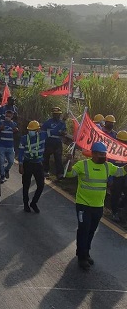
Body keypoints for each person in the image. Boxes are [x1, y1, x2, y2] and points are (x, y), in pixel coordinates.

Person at [66, 142, 124, 270]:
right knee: (84, 229)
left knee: (91, 231)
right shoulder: (83, 165)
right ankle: (81, 257)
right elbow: (69, 174)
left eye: (104, 154)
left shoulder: (108, 166)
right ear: (93, 154)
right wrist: (69, 162)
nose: (102, 156)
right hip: (83, 205)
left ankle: (85, 252)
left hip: (98, 206)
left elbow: (121, 171)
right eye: (100, 154)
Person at [18, 120, 47, 213]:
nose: (31, 132)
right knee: (26, 185)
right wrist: (20, 165)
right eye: (30, 130)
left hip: (38, 164)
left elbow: (54, 130)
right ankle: (26, 204)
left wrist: (63, 120)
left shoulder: (43, 136)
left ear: (38, 130)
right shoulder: (24, 139)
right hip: (28, 164)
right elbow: (20, 153)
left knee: (41, 185)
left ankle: (34, 203)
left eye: (33, 130)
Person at [42, 106, 67, 179]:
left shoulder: (62, 123)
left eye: (58, 114)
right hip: (49, 141)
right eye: (55, 114)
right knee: (46, 157)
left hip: (58, 142)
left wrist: (63, 133)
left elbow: (64, 131)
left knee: (58, 158)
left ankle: (59, 174)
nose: (57, 115)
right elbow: (45, 131)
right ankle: (45, 171)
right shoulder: (48, 122)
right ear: (53, 114)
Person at [0, 110, 19, 183]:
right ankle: (2, 176)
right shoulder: (1, 123)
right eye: (7, 115)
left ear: (12, 116)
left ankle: (6, 169)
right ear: (5, 115)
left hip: (10, 146)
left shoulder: (14, 124)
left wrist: (16, 131)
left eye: (9, 116)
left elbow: (17, 136)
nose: (8, 117)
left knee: (11, 161)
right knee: (1, 161)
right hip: (1, 145)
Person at [110, 131, 127, 222]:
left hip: (125, 176)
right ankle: (114, 212)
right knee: (115, 194)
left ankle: (120, 207)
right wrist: (110, 179)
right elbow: (109, 164)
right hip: (116, 175)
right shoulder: (112, 150)